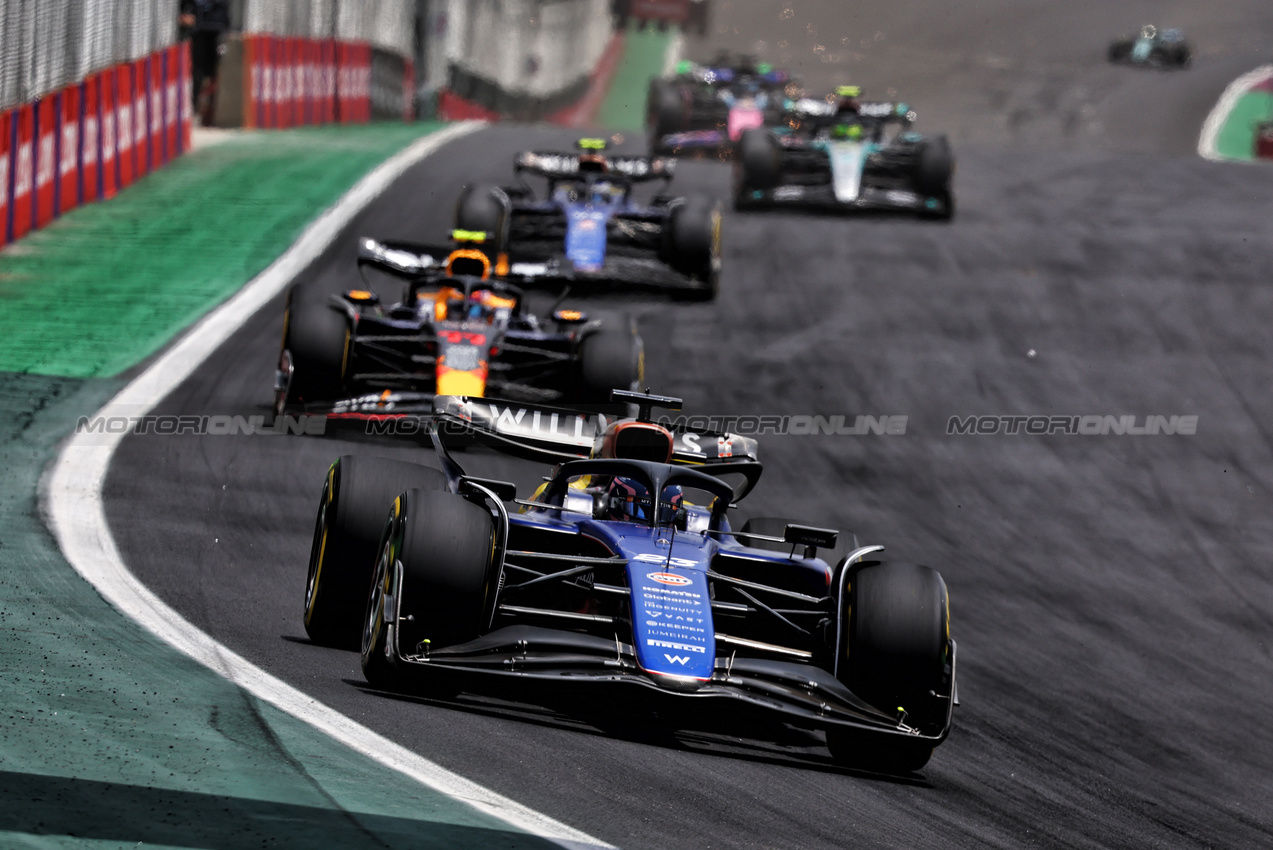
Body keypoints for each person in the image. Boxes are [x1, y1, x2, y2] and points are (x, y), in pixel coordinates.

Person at [180, 0, 231, 125]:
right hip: (196, 32)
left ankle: (206, 110)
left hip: (214, 30)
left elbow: (223, 11)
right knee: (196, 71)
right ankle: (195, 108)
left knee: (210, 73)